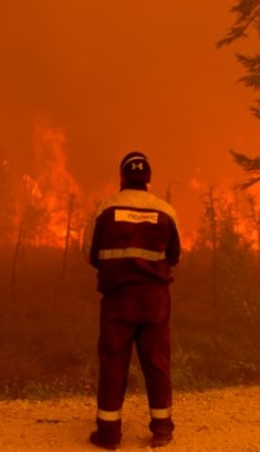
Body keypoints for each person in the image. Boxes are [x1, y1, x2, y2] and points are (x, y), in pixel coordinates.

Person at [83, 151, 181, 450]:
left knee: (113, 363)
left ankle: (109, 435)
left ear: (122, 177)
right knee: (157, 363)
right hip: (155, 302)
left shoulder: (105, 209)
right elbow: (174, 256)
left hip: (118, 301)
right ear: (148, 179)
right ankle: (162, 429)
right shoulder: (166, 211)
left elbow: (91, 254)